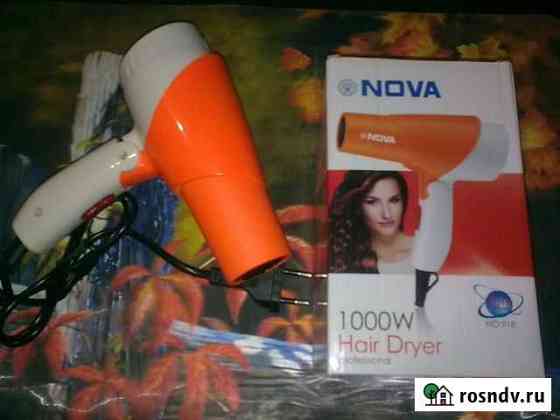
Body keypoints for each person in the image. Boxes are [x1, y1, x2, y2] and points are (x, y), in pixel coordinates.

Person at [329, 170, 414, 274]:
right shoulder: (344, 257)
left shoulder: (424, 250)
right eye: (372, 202)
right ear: (356, 206)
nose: (387, 214)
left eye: (394, 200)